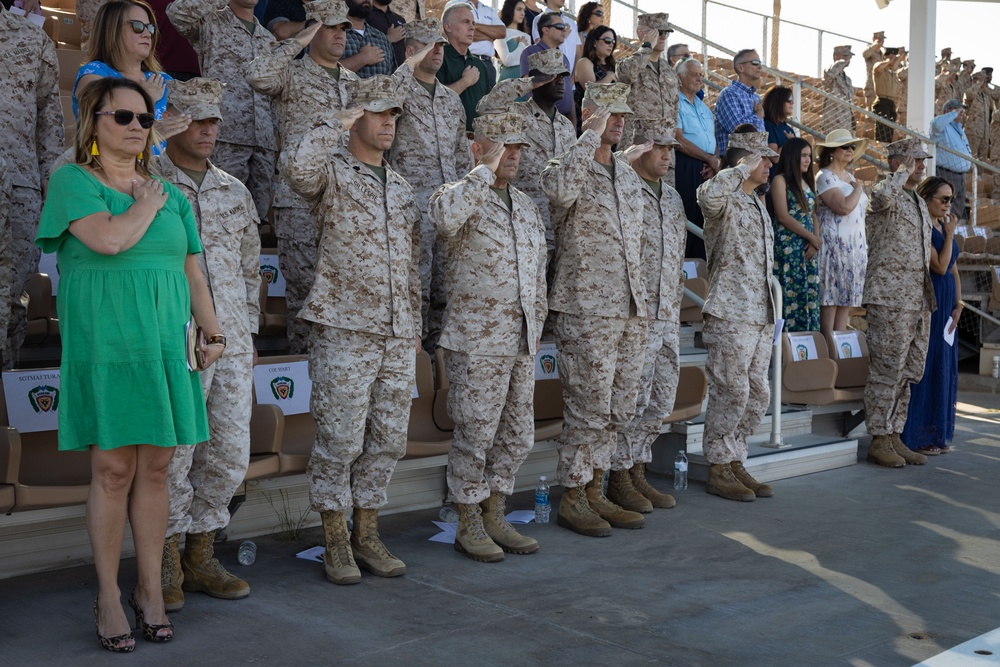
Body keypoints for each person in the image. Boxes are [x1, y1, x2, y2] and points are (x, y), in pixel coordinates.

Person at [36, 77, 221, 651]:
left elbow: (193, 270)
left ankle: (148, 589)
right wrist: (145, 202)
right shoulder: (73, 181)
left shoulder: (171, 192)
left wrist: (213, 330)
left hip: (167, 348)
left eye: (146, 119)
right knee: (113, 471)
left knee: (159, 470)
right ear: (93, 122)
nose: (138, 128)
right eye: (124, 117)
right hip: (108, 348)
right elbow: (110, 242)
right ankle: (109, 595)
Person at [280, 75, 420, 585]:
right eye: (379, 112)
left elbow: (412, 265)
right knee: (340, 439)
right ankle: (334, 539)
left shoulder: (402, 186)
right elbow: (297, 169)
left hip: (396, 331)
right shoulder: (333, 173)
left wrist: (414, 328)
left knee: (387, 439)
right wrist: (333, 122)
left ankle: (367, 532)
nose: (389, 122)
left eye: (395, 115)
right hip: (344, 326)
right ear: (356, 116)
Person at [157, 77, 261, 612]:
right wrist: (149, 138)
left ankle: (201, 553)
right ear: (171, 121)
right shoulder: (146, 179)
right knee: (175, 454)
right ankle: (165, 559)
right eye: (194, 119)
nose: (207, 130)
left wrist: (249, 329)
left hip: (233, 340)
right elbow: (71, 166)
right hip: (174, 339)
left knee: (226, 453)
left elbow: (248, 270)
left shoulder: (232, 188)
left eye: (214, 120)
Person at [428, 111, 547, 562]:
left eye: (517, 148)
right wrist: (483, 169)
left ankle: (496, 512)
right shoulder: (458, 196)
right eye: (502, 146)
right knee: (475, 434)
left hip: (519, 340)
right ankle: (469, 518)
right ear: (477, 149)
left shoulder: (527, 206)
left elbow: (537, 275)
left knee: (517, 435)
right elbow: (444, 219)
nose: (512, 155)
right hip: (476, 341)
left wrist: (535, 328)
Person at [540, 82, 648, 536]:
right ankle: (573, 496)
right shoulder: (566, 165)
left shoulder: (626, 174)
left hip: (628, 306)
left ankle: (598, 490)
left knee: (616, 408)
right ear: (589, 115)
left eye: (623, 115)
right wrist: (588, 137)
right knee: (586, 407)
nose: (618, 122)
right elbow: (561, 194)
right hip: (585, 305)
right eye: (609, 114)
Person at [246, 1, 357, 355]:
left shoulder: (355, 83)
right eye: (332, 27)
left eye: (344, 29)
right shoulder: (292, 73)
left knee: (345, 299)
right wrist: (300, 38)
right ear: (314, 30)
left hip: (345, 204)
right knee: (305, 300)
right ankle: (303, 395)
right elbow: (257, 74)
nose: (340, 35)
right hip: (300, 205)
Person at [696, 129, 777, 502]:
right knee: (732, 389)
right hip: (730, 311)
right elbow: (708, 197)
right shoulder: (724, 196)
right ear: (745, 160)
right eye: (763, 158)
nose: (770, 164)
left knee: (758, 394)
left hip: (759, 312)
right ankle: (718, 465)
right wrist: (738, 169)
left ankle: (735, 458)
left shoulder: (758, 202)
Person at [388, 19, 471, 354]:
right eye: (428, 45)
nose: (437, 51)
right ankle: (414, 356)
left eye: (440, 45)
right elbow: (384, 97)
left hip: (447, 207)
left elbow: (461, 157)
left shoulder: (452, 100)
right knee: (415, 284)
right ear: (410, 51)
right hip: (412, 203)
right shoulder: (399, 91)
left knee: (445, 285)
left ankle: (438, 360)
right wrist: (406, 66)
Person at [616, 118, 687, 512]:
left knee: (659, 400)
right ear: (640, 149)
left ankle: (638, 468)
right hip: (636, 314)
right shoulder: (625, 189)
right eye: (658, 147)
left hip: (667, 314)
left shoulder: (673, 197)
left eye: (670, 148)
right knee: (631, 398)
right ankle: (619, 474)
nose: (666, 155)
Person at [168, 0, 279, 223]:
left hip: (262, 144)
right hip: (225, 137)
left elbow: (274, 92)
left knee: (254, 223)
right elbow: (176, 13)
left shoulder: (268, 39)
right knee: (218, 216)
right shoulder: (211, 22)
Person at [863, 138, 936, 469]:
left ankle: (895, 433)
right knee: (887, 370)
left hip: (917, 298)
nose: (922, 166)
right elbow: (879, 198)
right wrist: (899, 173)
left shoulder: (918, 202)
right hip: (889, 297)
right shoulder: (885, 192)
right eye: (915, 160)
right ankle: (879, 437)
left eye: (922, 161)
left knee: (910, 370)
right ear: (897, 163)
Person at [0, 2, 63, 369]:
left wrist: (50, 186)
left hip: (20, 190)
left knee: (13, 299)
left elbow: (50, 121)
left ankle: (4, 395)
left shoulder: (30, 37)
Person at [477, 48, 576, 265]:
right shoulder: (516, 114)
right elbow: (487, 106)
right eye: (552, 76)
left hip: (562, 223)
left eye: (563, 77)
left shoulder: (566, 126)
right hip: (527, 218)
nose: (560, 82)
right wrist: (528, 84)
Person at [73, 1, 190, 155]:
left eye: (150, 28)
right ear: (112, 30)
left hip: (161, 174)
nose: (147, 34)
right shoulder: (93, 74)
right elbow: (101, 128)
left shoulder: (163, 79)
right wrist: (144, 96)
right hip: (109, 173)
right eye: (137, 27)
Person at [902, 177, 962, 455]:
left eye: (951, 199)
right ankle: (919, 434)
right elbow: (938, 266)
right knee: (927, 364)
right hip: (930, 303)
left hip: (948, 303)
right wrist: (949, 235)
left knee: (944, 367)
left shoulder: (942, 225)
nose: (949, 205)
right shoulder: (924, 228)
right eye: (944, 199)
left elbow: (953, 268)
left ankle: (939, 432)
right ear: (927, 199)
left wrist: (959, 303)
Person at [814, 129, 868, 339]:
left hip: (854, 250)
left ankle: (839, 361)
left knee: (844, 311)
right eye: (845, 146)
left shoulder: (850, 177)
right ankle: (827, 360)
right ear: (831, 151)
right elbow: (843, 207)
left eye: (852, 147)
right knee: (829, 304)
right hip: (833, 248)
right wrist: (859, 189)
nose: (850, 150)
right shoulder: (824, 176)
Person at [770, 137, 820, 333]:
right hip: (788, 246)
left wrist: (815, 241)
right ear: (792, 157)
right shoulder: (779, 180)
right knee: (789, 296)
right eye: (804, 156)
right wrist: (812, 237)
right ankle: (784, 353)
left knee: (808, 294)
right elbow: (783, 216)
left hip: (808, 247)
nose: (808, 160)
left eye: (810, 156)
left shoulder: (808, 181)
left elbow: (814, 213)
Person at [674, 57, 717, 259]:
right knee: (687, 220)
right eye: (694, 74)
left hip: (706, 169)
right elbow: (678, 138)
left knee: (703, 223)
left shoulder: (704, 108)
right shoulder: (674, 102)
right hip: (685, 166)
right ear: (680, 77)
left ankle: (698, 277)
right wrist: (709, 159)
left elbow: (713, 140)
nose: (699, 79)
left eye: (700, 75)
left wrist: (713, 161)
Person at [615, 12, 677, 150]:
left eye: (665, 33)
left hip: (664, 148)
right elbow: (627, 75)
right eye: (658, 32)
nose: (662, 37)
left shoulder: (669, 71)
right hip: (636, 147)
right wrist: (647, 46)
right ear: (641, 33)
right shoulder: (629, 64)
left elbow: (674, 111)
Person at [437, 2, 489, 133]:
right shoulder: (438, 58)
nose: (472, 28)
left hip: (477, 143)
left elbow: (487, 108)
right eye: (466, 22)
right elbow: (434, 100)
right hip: (447, 139)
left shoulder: (480, 65)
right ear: (448, 27)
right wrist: (465, 82)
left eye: (473, 23)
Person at [520, 11, 575, 126]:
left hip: (564, 122)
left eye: (564, 26)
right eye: (560, 27)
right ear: (545, 30)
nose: (564, 30)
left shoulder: (563, 57)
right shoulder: (530, 52)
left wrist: (573, 121)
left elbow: (568, 89)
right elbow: (525, 83)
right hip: (541, 121)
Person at [714, 49, 765, 158]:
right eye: (755, 63)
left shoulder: (755, 97)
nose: (760, 67)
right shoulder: (729, 94)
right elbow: (738, 130)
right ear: (740, 67)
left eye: (760, 63)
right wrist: (757, 116)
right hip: (735, 163)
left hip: (755, 161)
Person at [930, 99, 973, 220]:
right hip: (946, 173)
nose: (961, 113)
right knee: (945, 209)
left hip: (960, 176)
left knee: (956, 210)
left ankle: (951, 231)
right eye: (959, 110)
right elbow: (936, 124)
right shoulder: (942, 126)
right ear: (948, 111)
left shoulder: (958, 128)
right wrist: (953, 114)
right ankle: (943, 231)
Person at [572, 25, 616, 127]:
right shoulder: (585, 62)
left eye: (613, 42)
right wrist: (609, 77)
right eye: (607, 41)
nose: (611, 45)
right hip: (590, 120)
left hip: (610, 121)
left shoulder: (613, 66)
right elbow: (592, 92)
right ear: (595, 42)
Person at [340, 0, 397, 78]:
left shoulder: (382, 39)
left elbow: (393, 80)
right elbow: (323, 70)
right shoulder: (334, 34)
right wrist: (363, 58)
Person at [529, 0, 581, 76]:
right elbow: (541, 48)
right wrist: (561, 36)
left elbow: (578, 51)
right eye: (559, 27)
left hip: (570, 81)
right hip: (550, 79)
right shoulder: (539, 19)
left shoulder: (571, 22)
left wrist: (573, 77)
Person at [463, 0, 506, 90]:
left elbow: (502, 32)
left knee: (489, 101)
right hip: (465, 61)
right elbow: (462, 33)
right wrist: (489, 36)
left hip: (487, 64)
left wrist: (476, 26)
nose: (472, 26)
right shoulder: (455, 5)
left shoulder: (489, 10)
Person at [822, 45, 856, 134]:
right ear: (836, 56)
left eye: (849, 56)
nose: (849, 59)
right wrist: (842, 61)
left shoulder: (848, 80)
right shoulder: (829, 72)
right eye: (845, 56)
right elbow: (830, 73)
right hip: (833, 122)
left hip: (847, 122)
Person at [494, 0, 530, 83]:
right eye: (519, 9)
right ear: (509, 10)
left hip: (524, 83)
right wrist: (521, 45)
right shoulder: (501, 33)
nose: (523, 13)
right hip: (506, 82)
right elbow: (507, 61)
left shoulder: (527, 36)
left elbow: (528, 63)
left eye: (524, 10)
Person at [762, 85, 795, 171]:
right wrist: (790, 142)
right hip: (775, 178)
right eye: (788, 100)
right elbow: (775, 158)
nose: (792, 103)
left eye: (792, 100)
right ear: (778, 102)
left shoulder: (789, 129)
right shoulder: (767, 125)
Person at [873, 47, 902, 143]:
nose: (894, 61)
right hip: (882, 101)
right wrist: (888, 61)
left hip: (891, 103)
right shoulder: (880, 68)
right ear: (885, 57)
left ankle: (885, 150)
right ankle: (879, 147)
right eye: (892, 58)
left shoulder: (893, 73)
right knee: (882, 129)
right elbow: (878, 68)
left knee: (889, 131)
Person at [366, 0, 406, 70]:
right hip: (377, 75)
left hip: (400, 74)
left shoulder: (400, 19)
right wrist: (388, 39)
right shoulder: (365, 15)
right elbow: (361, 47)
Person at [964, 71, 991, 161]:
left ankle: (979, 175)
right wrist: (978, 84)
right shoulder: (970, 93)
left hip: (984, 133)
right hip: (973, 131)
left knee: (982, 160)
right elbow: (969, 95)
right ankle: (970, 175)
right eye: (983, 79)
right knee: (971, 158)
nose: (985, 82)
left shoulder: (986, 97)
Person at [862, 31, 884, 109]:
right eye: (879, 39)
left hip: (880, 87)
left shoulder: (882, 54)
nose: (882, 41)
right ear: (873, 39)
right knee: (871, 113)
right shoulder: (870, 51)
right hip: (871, 87)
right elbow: (865, 54)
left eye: (883, 39)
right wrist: (874, 45)